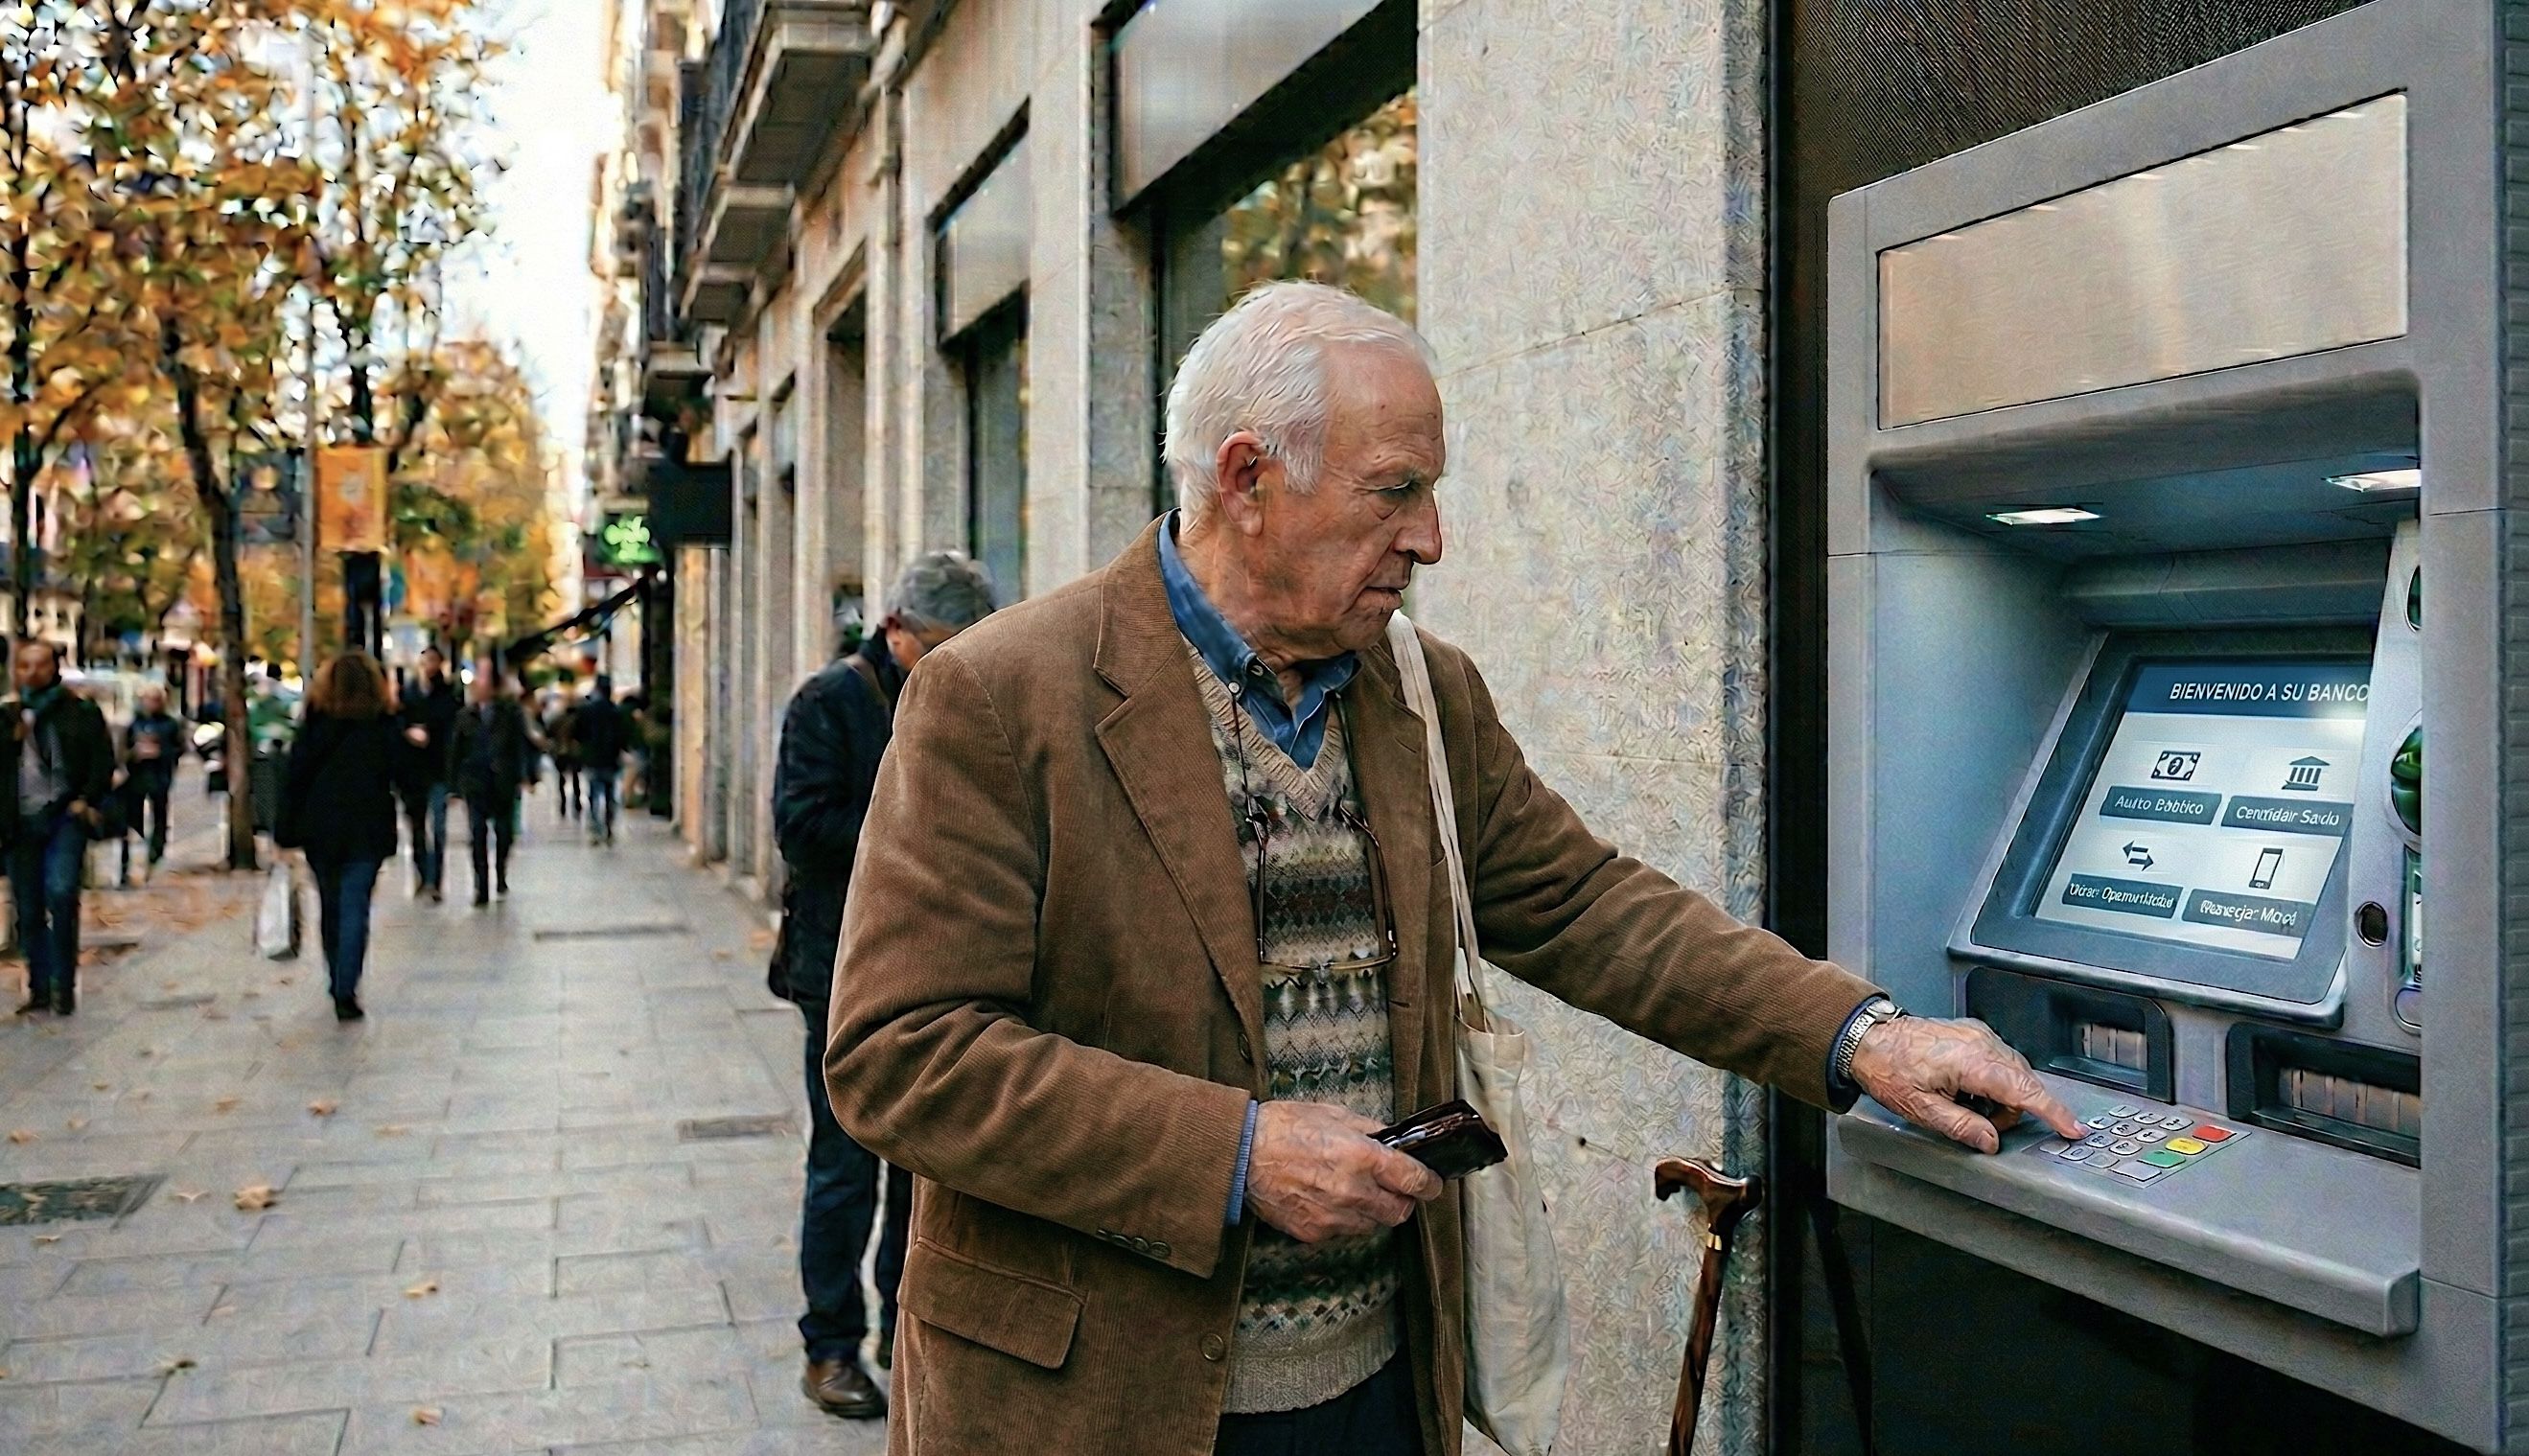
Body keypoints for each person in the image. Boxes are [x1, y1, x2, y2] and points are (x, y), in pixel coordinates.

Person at [825, 284, 2082, 1456]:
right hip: (1098, 1402)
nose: (1429, 536)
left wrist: (1861, 1036)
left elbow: (1589, 905)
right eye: (1395, 489)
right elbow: (900, 1051)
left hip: (1376, 1386)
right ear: (1246, 478)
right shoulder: (998, 697)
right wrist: (1235, 1152)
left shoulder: (1421, 690)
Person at [773, 553, 996, 1420]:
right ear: (896, 628)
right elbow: (801, 828)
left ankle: (906, 1328)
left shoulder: (963, 692)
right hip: (838, 970)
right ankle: (829, 1343)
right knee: (841, 1167)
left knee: (922, 1166)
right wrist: (909, 808)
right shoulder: (829, 702)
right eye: (936, 647)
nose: (948, 663)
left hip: (938, 966)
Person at [278, 654, 408, 1022]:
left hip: (321, 829)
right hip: (368, 826)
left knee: (330, 906)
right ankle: (345, 987)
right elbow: (403, 772)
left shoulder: (315, 726)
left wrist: (284, 833)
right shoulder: (382, 725)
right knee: (355, 907)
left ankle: (337, 974)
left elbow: (294, 780)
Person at [0, 641, 113, 1017]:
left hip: (64, 816)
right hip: (19, 823)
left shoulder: (79, 712)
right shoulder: (8, 716)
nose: (32, 673)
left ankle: (64, 984)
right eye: (25, 666)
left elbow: (102, 760)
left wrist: (86, 799)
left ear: (54, 668)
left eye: (40, 665)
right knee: (28, 908)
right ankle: (39, 987)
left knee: (62, 893)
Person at [448, 662, 534, 906]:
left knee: (504, 832)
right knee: (477, 834)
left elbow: (520, 746)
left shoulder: (510, 713)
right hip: (475, 782)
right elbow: (456, 751)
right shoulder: (465, 715)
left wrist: (524, 774)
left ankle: (501, 871)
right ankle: (481, 885)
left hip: (503, 782)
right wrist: (454, 785)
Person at [398, 647, 460, 902]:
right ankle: (422, 876)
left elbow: (452, 730)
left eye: (433, 661)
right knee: (417, 828)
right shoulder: (408, 692)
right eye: (425, 661)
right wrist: (409, 732)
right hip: (413, 771)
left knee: (438, 828)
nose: (428, 666)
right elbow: (398, 722)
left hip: (438, 769)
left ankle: (435, 880)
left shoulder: (448, 695)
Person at [117, 683, 185, 885]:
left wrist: (161, 753)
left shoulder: (170, 724)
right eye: (148, 699)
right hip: (136, 778)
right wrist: (135, 754)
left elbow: (178, 749)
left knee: (160, 817)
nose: (151, 703)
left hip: (160, 776)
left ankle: (155, 853)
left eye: (155, 699)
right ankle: (128, 863)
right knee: (132, 820)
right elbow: (124, 751)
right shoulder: (134, 723)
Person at [574, 675, 629, 844]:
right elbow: (622, 735)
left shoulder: (586, 710)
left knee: (593, 795)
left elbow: (578, 733)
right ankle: (609, 827)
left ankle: (595, 829)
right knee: (610, 794)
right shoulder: (615, 711)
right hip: (611, 759)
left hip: (592, 758)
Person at [545, 688, 583, 821]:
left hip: (561, 751)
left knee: (561, 779)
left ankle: (563, 803)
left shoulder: (558, 718)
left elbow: (549, 732)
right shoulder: (579, 719)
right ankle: (577, 802)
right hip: (575, 751)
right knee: (576, 778)